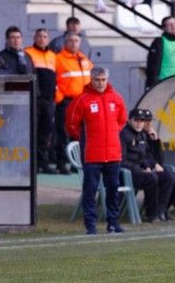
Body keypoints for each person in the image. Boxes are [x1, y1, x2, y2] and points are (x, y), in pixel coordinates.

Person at [66, 66, 128, 235]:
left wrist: (112, 133)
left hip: (113, 154)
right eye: (97, 80)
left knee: (113, 188)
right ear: (91, 80)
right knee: (90, 190)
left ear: (107, 80)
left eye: (103, 80)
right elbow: (72, 124)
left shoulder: (116, 99)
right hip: (92, 155)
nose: (100, 83)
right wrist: (87, 138)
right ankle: (91, 225)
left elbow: (122, 120)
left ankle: (113, 222)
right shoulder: (82, 100)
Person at [120, 108, 175, 223]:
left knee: (168, 177)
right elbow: (122, 160)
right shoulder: (123, 135)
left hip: (141, 171)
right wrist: (140, 169)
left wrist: (150, 165)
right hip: (128, 173)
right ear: (130, 120)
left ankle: (160, 211)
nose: (139, 123)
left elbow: (144, 156)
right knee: (152, 178)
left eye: (141, 120)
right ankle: (151, 214)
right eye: (136, 120)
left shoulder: (141, 135)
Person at [55, 32, 94, 174]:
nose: (73, 43)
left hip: (83, 103)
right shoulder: (58, 59)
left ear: (80, 42)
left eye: (76, 40)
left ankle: (76, 163)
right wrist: (59, 98)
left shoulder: (84, 59)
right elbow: (53, 80)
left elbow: (92, 80)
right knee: (63, 133)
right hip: (67, 102)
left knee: (81, 134)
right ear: (65, 42)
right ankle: (62, 163)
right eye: (70, 40)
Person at [25, 28, 58, 174]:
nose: (42, 39)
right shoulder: (28, 53)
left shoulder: (52, 55)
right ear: (34, 37)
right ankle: (32, 163)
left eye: (45, 36)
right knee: (33, 131)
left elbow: (56, 78)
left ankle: (43, 162)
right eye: (39, 36)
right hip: (35, 99)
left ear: (48, 38)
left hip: (49, 100)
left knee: (46, 132)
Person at [145, 16, 175, 90]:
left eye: (174, 23)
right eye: (169, 25)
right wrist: (153, 84)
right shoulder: (159, 42)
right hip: (165, 85)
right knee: (171, 102)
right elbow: (152, 66)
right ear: (164, 28)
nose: (173, 26)